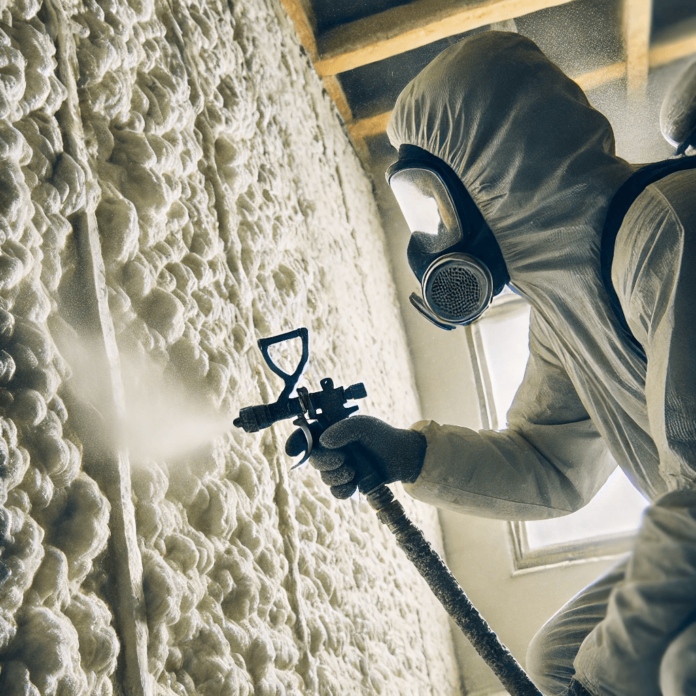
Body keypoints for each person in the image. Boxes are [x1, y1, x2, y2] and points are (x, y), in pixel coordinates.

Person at [286, 31, 696, 696]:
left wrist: (605, 683)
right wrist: (408, 455)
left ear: (504, 167)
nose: (432, 240)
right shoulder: (569, 304)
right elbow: (549, 461)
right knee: (561, 657)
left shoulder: (668, 231)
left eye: (433, 199)